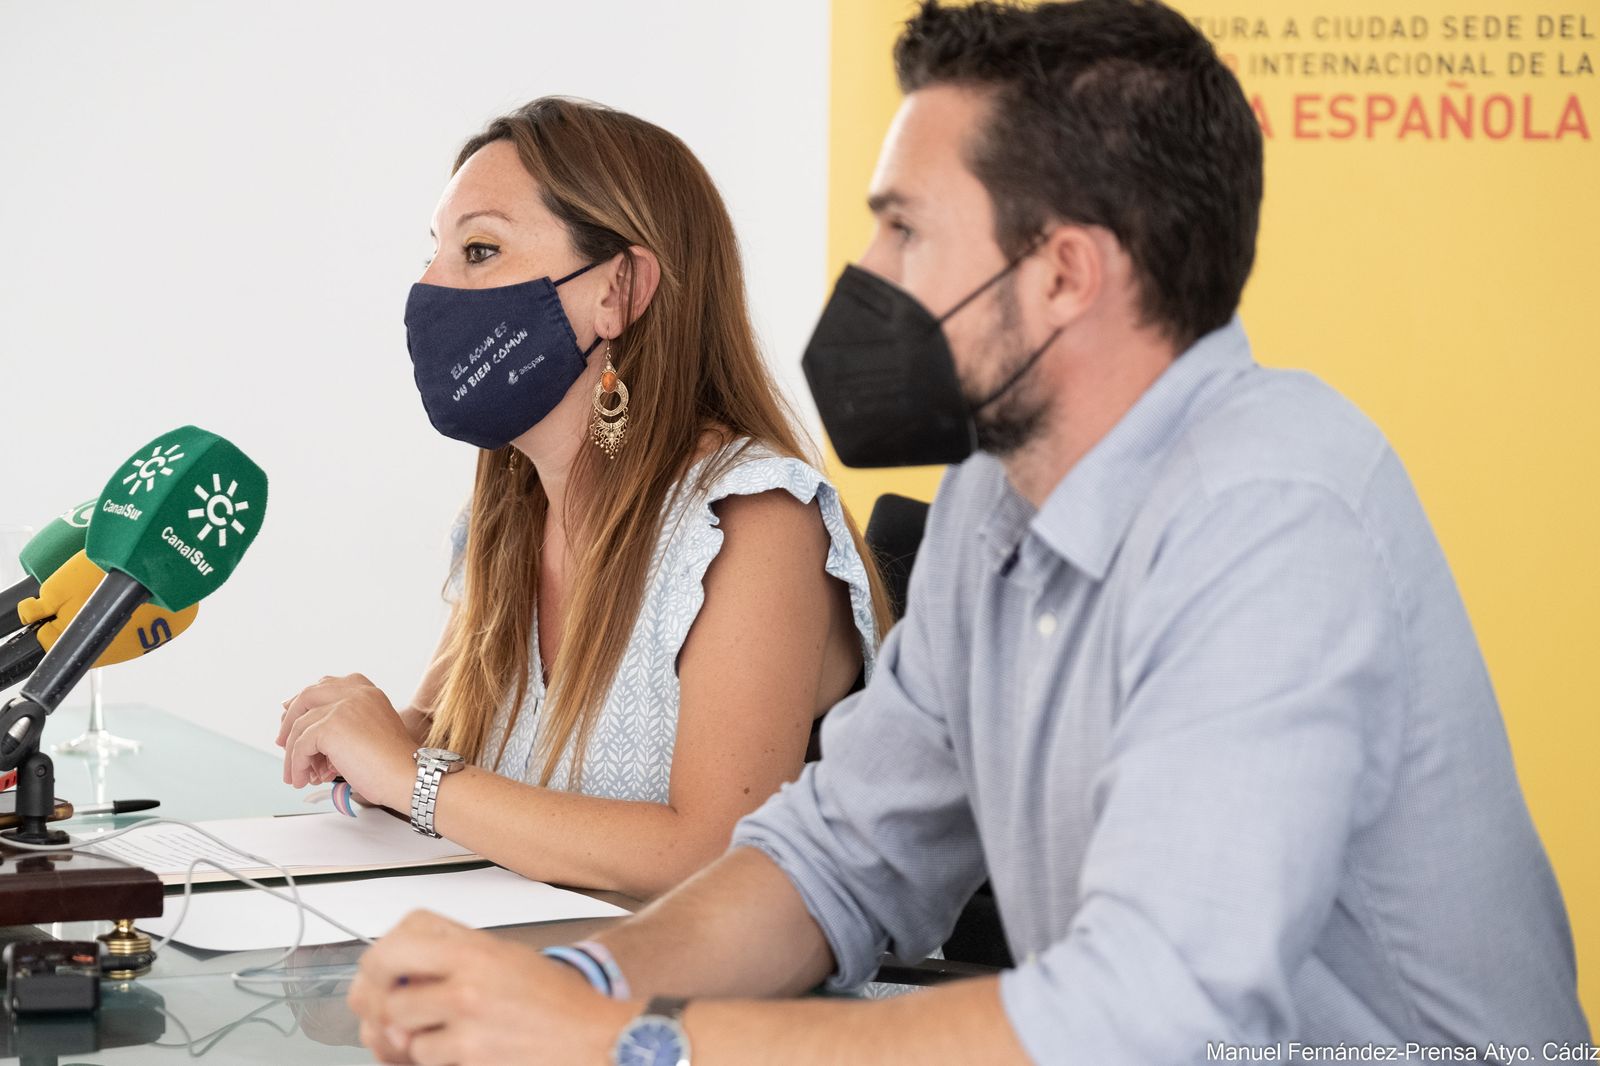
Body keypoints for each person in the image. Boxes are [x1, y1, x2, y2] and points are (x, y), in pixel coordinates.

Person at [347, 2, 1591, 1062]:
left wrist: (636, 1041)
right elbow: (837, 860)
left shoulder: (1270, 516)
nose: (869, 271)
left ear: (1063, 274)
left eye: (905, 228)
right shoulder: (997, 501)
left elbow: (1148, 1010)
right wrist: (580, 982)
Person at [276, 97, 890, 901]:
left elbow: (714, 853)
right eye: (435, 252)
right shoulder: (509, 513)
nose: (430, 287)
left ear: (617, 290)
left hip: (702, 981)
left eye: (480, 250)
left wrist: (406, 775)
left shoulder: (751, 522)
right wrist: (366, 732)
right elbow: (440, 744)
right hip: (530, 959)